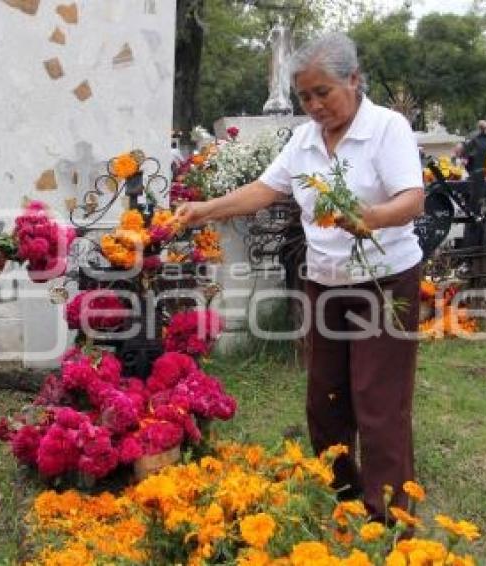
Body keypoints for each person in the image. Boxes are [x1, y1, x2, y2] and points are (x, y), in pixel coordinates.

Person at [175, 32, 424, 519]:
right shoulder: (305, 139)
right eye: (304, 96)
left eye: (322, 92)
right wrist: (203, 210)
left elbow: (412, 200)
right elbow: (264, 190)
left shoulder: (386, 129)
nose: (313, 105)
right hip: (325, 283)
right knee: (325, 396)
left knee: (378, 400)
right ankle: (339, 494)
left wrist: (369, 217)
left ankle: (388, 516)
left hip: (383, 282)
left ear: (354, 80)